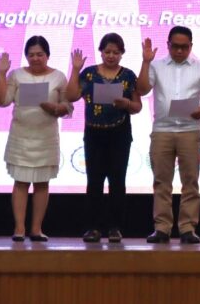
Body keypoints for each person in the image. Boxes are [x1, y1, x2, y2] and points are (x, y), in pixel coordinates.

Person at [136, 26, 200, 244]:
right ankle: (162, 228)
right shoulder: (155, 65)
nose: (179, 51)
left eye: (184, 47)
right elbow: (142, 90)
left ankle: (188, 228)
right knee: (161, 181)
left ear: (191, 46)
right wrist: (145, 62)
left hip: (190, 130)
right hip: (162, 130)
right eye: (175, 47)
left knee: (190, 181)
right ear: (168, 45)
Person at [65, 32, 143, 243]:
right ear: (100, 52)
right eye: (107, 51)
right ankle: (93, 228)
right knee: (94, 181)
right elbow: (71, 95)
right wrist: (75, 69)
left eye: (116, 52)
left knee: (117, 181)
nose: (111, 56)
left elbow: (137, 106)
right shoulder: (89, 73)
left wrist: (126, 104)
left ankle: (115, 228)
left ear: (122, 53)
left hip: (120, 133)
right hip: (94, 132)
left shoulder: (128, 76)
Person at [0, 35, 72, 242]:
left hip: (46, 137)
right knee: (20, 182)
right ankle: (19, 228)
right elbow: (2, 101)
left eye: (40, 54)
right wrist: (1, 73)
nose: (35, 58)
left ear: (48, 55)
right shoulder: (16, 75)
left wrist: (56, 108)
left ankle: (36, 229)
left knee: (42, 183)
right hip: (21, 136)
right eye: (31, 55)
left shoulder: (59, 77)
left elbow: (68, 106)